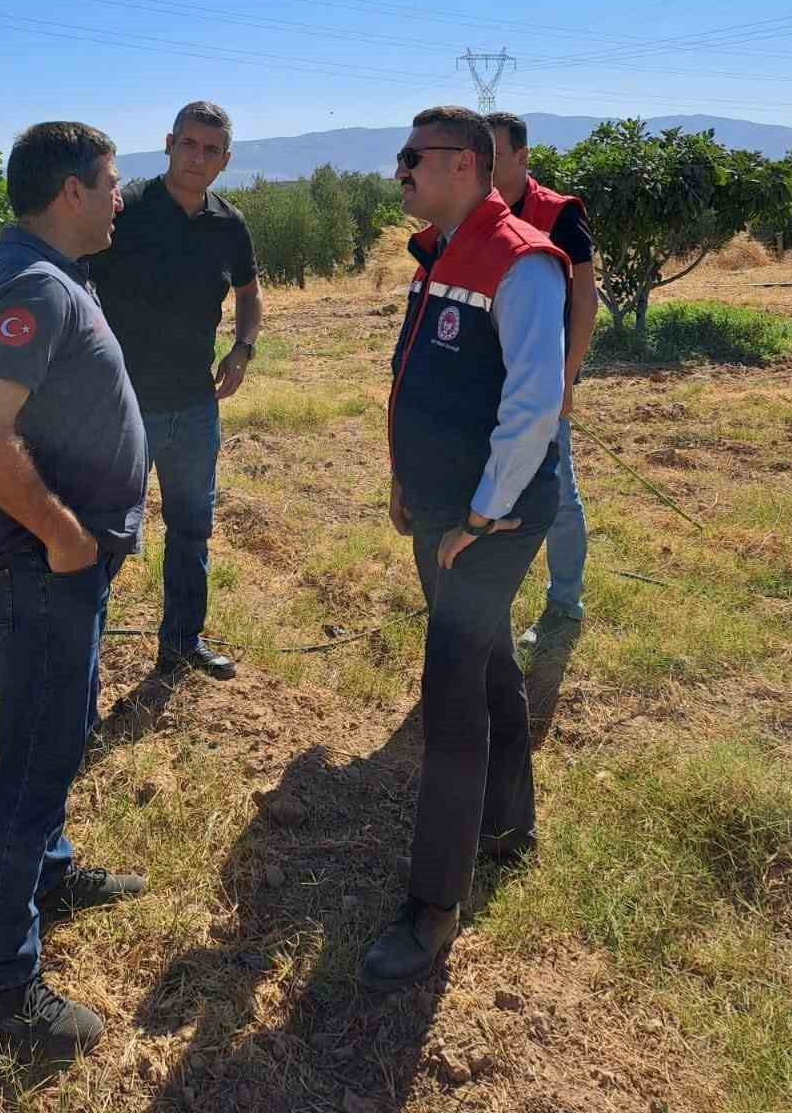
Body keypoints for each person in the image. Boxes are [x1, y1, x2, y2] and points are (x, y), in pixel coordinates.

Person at [359, 106, 570, 992]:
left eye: (416, 156)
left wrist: (477, 519)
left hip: (494, 519)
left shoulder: (521, 259)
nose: (401, 168)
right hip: (446, 507)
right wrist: (409, 481)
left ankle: (434, 908)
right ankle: (509, 824)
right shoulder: (441, 248)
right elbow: (427, 375)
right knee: (485, 666)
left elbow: (532, 405)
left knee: (450, 693)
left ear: (466, 165)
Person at [0, 122, 150, 1062]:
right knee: (31, 770)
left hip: (56, 568)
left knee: (54, 732)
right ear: (70, 191)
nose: (123, 196)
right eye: (111, 182)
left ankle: (53, 876)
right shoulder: (35, 283)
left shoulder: (52, 269)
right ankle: (5, 987)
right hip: (38, 568)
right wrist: (68, 537)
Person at [91, 100, 263, 682]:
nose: (197, 157)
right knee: (106, 536)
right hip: (124, 406)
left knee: (192, 530)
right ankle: (76, 655)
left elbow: (250, 292)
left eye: (210, 150)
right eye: (188, 144)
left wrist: (243, 348)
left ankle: (181, 644)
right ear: (169, 143)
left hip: (195, 406)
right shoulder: (128, 210)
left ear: (225, 160)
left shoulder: (228, 225)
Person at [486, 112, 598, 644]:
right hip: (483, 377)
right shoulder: (470, 213)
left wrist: (566, 378)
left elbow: (583, 298)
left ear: (523, 156)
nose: (485, 166)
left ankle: (564, 601)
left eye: (496, 155)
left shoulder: (559, 214)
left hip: (540, 378)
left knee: (558, 492)